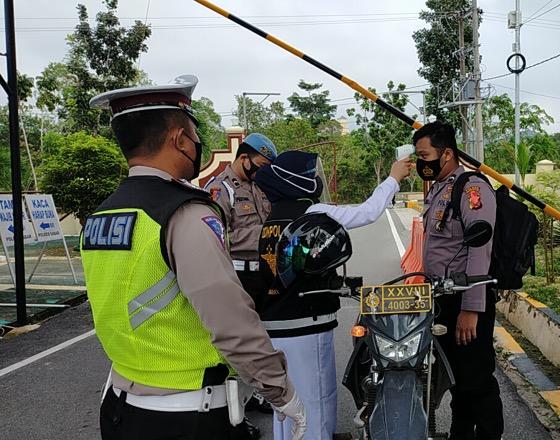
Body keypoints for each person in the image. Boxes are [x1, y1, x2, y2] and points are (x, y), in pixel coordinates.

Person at [83, 75, 306, 440]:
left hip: (121, 408)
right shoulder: (184, 214)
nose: (198, 144)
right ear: (179, 139)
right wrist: (281, 391)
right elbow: (230, 321)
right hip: (188, 414)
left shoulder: (102, 215)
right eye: (196, 135)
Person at [255, 150, 412, 440]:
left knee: (285, 405)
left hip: (274, 326)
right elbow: (368, 211)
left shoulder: (271, 218)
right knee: (313, 405)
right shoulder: (313, 214)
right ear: (299, 181)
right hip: (306, 325)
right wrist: (393, 178)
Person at [414, 121, 503, 440]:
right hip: (441, 298)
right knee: (455, 377)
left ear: (447, 152)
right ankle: (460, 433)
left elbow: (480, 249)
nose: (421, 162)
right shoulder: (440, 186)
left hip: (464, 297)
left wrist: (471, 309)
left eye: (425, 155)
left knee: (476, 378)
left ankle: (491, 434)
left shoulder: (471, 187)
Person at [203, 133, 276, 438]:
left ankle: (256, 394)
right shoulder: (221, 190)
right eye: (257, 166)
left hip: (263, 273)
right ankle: (235, 413)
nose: (260, 172)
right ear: (243, 157)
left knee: (261, 340)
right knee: (237, 347)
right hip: (237, 274)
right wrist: (263, 235)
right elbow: (218, 236)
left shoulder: (258, 188)